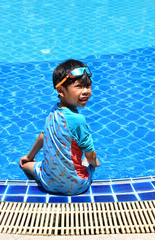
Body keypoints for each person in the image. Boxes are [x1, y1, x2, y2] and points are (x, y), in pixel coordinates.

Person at [19, 59, 100, 195]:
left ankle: (27, 164)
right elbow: (90, 154)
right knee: (89, 162)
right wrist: (94, 162)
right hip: (77, 186)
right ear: (61, 90)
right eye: (79, 86)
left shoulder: (54, 111)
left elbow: (43, 136)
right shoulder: (78, 120)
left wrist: (29, 156)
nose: (86, 91)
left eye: (88, 86)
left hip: (48, 182)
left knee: (26, 164)